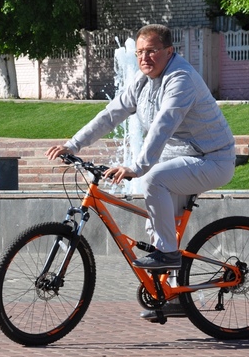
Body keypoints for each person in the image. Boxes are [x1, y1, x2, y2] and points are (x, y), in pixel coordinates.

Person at [45, 24, 236, 321]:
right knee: (157, 223)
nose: (144, 58)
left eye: (151, 51)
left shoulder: (180, 79)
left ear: (169, 52)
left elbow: (164, 124)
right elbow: (111, 114)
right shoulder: (142, 80)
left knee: (153, 180)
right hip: (179, 160)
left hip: (212, 159)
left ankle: (169, 258)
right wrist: (74, 145)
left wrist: (136, 167)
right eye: (139, 53)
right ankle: (171, 294)